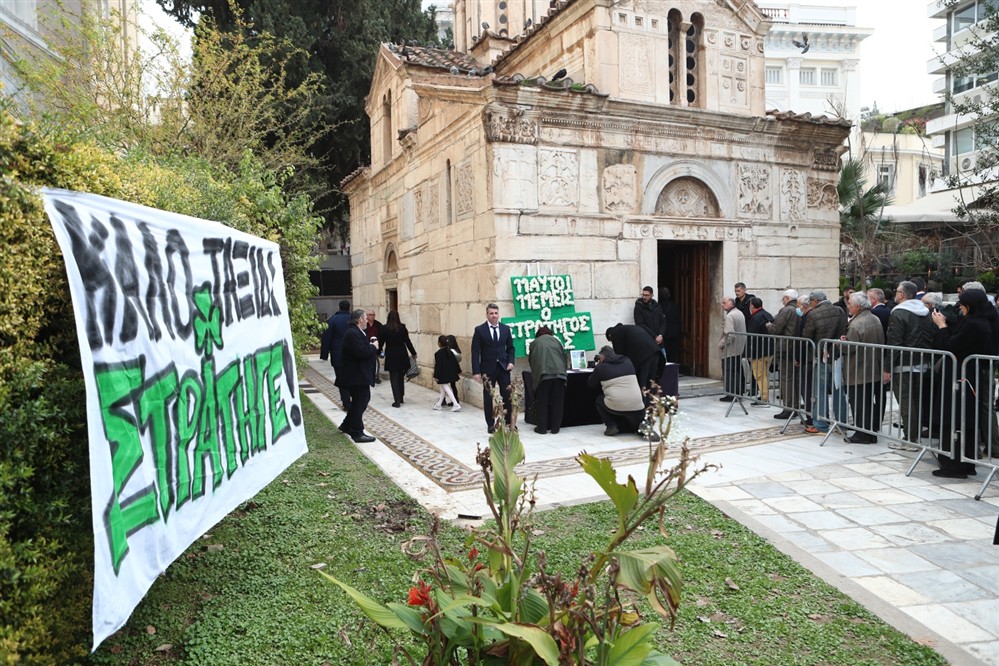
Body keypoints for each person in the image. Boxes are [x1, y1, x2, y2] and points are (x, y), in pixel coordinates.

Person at [931, 289, 995, 478]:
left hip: (963, 378)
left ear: (970, 305)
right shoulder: (977, 321)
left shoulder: (975, 325)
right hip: (967, 377)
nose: (960, 307)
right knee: (963, 420)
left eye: (962, 303)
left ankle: (957, 465)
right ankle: (964, 463)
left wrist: (942, 327)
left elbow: (952, 346)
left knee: (958, 419)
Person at [884, 281, 935, 449]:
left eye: (897, 291)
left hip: (904, 364)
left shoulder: (899, 313)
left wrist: (887, 367)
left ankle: (911, 439)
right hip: (922, 362)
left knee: (906, 402)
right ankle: (914, 436)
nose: (895, 294)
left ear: (902, 295)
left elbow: (894, 343)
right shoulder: (925, 312)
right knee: (916, 401)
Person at [841, 292, 885, 444]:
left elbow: (849, 348)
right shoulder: (875, 318)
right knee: (868, 403)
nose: (848, 307)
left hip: (858, 369)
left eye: (850, 305)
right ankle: (870, 433)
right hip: (873, 368)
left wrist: (841, 344)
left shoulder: (856, 323)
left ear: (857, 307)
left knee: (859, 403)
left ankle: (862, 434)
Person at [801, 290, 847, 434]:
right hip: (837, 355)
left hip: (821, 356)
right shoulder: (839, 310)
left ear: (815, 301)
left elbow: (806, 336)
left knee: (819, 391)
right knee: (838, 389)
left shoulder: (813, 314)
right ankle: (841, 424)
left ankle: (820, 423)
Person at [588, 346, 657, 440]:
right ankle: (645, 428)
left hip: (616, 404)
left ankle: (611, 425)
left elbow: (591, 384)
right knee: (639, 421)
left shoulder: (601, 367)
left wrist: (598, 367)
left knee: (599, 400)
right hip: (638, 403)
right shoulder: (627, 361)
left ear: (602, 357)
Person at [471, 303, 515, 433]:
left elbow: (511, 348)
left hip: (503, 368)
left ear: (498, 314)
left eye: (496, 313)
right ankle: (490, 424)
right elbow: (475, 351)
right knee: (488, 397)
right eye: (491, 313)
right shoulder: (479, 330)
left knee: (507, 395)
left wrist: (511, 362)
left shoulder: (505, 329)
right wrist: (476, 371)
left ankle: (508, 422)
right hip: (487, 370)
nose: (494, 316)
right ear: (487, 315)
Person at [335, 309, 378, 443]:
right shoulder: (352, 333)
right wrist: (373, 347)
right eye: (365, 318)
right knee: (360, 401)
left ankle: (347, 425)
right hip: (355, 376)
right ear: (360, 319)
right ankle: (357, 432)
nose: (367, 320)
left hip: (358, 375)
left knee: (360, 401)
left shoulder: (356, 332)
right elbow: (361, 352)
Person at [606, 322, 661, 401]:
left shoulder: (615, 333)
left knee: (642, 383)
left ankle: (642, 407)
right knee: (651, 382)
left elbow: (619, 356)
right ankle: (651, 406)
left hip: (644, 356)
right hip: (655, 352)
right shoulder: (627, 328)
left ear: (610, 336)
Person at [527, 326, 567, 434]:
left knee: (542, 402)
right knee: (557, 402)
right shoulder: (557, 341)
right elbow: (564, 357)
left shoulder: (534, 343)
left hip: (544, 375)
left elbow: (531, 361)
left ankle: (542, 428)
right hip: (560, 375)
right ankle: (555, 428)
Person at [767, 289, 800, 419]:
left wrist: (769, 325)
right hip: (794, 348)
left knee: (786, 379)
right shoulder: (797, 309)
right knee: (793, 379)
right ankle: (794, 406)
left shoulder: (787, 310)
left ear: (786, 298)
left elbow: (776, 328)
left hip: (786, 348)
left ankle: (789, 408)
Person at [379, 310, 417, 408]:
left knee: (394, 378)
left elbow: (381, 343)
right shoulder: (402, 327)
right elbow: (407, 341)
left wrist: (378, 352)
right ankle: (401, 397)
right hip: (402, 355)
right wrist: (413, 353)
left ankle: (397, 401)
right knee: (400, 377)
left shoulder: (384, 328)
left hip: (391, 355)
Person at [320, 300, 353, 408]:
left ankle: (346, 402)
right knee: (354, 377)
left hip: (338, 355)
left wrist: (324, 355)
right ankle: (355, 399)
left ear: (339, 307)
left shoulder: (332, 320)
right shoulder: (354, 320)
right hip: (353, 355)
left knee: (341, 378)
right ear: (349, 307)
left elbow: (326, 338)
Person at [745, 297, 774, 406]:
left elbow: (751, 337)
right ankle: (764, 395)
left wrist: (749, 353)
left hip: (759, 352)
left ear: (752, 306)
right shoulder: (767, 314)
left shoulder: (756, 318)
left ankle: (764, 398)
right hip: (769, 350)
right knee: (765, 375)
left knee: (760, 376)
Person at [719, 297, 747, 402]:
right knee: (737, 370)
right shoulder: (739, 313)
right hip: (739, 347)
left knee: (729, 371)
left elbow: (730, 334)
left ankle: (731, 394)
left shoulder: (730, 316)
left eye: (724, 303)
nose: (722, 305)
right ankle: (738, 392)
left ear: (731, 304)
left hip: (731, 348)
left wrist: (721, 344)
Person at [634, 285, 666, 369]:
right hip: (647, 340)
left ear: (652, 295)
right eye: (643, 295)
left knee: (664, 363)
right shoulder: (638, 306)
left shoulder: (657, 306)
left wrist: (660, 335)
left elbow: (663, 322)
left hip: (659, 341)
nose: (644, 297)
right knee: (650, 365)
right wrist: (654, 336)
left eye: (647, 295)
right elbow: (640, 324)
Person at [432, 335, 462, 412]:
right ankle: (438, 404)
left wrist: (436, 376)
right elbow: (455, 363)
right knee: (443, 388)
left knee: (446, 388)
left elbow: (438, 365)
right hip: (451, 373)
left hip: (443, 374)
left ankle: (456, 404)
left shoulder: (438, 353)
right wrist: (458, 371)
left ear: (439, 343)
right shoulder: (450, 351)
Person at [659, 287, 682, 364]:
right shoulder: (675, 305)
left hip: (664, 333)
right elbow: (678, 319)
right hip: (674, 333)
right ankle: (673, 370)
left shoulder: (658, 306)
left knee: (664, 352)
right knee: (673, 353)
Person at [364, 309, 383, 384]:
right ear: (366, 316)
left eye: (373, 315)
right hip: (366, 346)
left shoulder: (378, 324)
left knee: (376, 362)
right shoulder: (364, 324)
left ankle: (376, 376)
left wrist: (380, 346)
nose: (371, 316)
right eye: (370, 315)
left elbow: (381, 336)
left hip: (376, 347)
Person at [444, 335, 462, 407]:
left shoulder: (450, 351)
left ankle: (451, 401)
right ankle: (455, 399)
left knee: (445, 386)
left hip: (448, 371)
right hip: (454, 371)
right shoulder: (457, 351)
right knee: (453, 386)